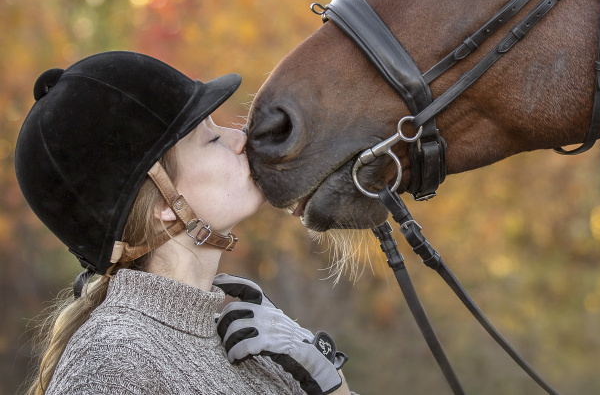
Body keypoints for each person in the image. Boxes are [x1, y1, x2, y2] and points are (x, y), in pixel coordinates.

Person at [15, 51, 352, 395]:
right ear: (163, 203)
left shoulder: (255, 345)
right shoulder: (113, 364)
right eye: (212, 139)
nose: (240, 139)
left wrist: (325, 375)